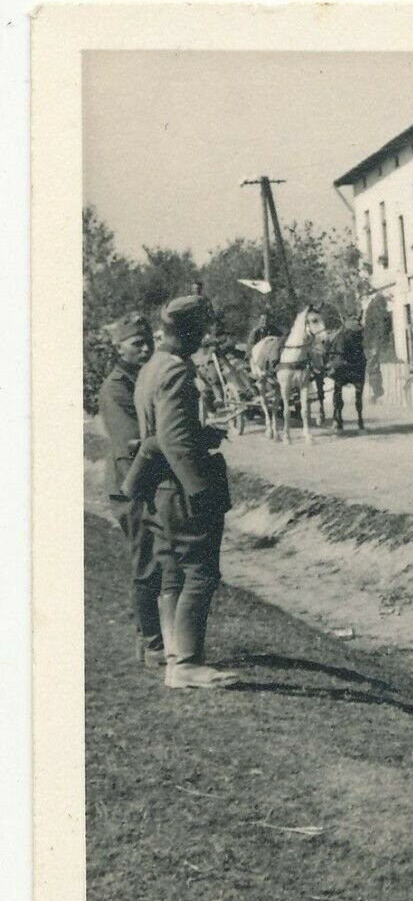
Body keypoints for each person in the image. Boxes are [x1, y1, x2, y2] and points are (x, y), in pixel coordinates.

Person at [134, 295, 237, 689]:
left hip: (160, 486)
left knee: (174, 572)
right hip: (181, 489)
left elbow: (160, 432)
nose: (203, 340)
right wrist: (200, 489)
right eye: (201, 332)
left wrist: (201, 433)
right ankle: (188, 663)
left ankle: (176, 661)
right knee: (200, 573)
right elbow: (174, 440)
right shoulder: (176, 371)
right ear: (189, 331)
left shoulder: (151, 366)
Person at [98, 313, 165, 668]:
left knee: (162, 561)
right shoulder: (115, 387)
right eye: (136, 344)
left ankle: (155, 637)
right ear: (119, 347)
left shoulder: (144, 379)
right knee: (147, 563)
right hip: (132, 486)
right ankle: (152, 644)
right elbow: (132, 445)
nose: (145, 348)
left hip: (149, 482)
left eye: (147, 342)